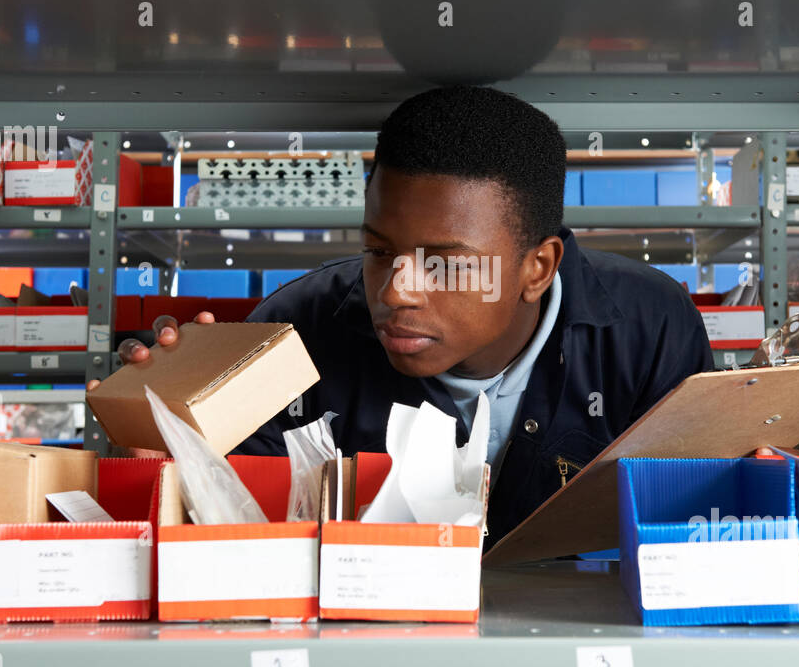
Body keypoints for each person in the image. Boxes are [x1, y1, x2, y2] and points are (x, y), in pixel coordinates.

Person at [99, 84, 713, 547]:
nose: (397, 292)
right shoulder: (292, 334)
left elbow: (692, 534)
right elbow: (224, 548)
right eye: (378, 251)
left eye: (445, 263)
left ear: (538, 268)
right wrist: (166, 433)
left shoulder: (651, 328)